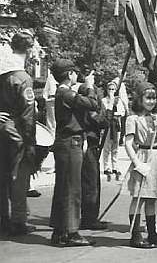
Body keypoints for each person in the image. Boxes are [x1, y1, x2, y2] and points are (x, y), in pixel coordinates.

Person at [49, 59, 98, 247]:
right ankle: (71, 231)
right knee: (72, 189)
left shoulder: (63, 93)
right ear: (70, 74)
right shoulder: (66, 93)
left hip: (67, 143)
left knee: (63, 187)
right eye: (74, 72)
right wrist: (90, 87)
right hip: (70, 143)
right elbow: (92, 104)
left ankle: (60, 230)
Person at [124, 81, 157, 248]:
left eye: (154, 98)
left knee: (152, 198)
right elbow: (128, 143)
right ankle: (135, 235)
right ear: (139, 99)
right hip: (143, 157)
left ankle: (152, 234)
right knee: (139, 197)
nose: (152, 101)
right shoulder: (133, 119)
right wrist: (137, 163)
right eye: (148, 98)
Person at [0, 31, 36, 235]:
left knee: (1, 177)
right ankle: (19, 221)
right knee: (19, 177)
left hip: (2, 130)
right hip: (17, 133)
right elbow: (27, 115)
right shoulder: (23, 77)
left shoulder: (2, 73)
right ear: (29, 50)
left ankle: (2, 218)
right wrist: (30, 142)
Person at [78, 82, 109, 230]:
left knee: (92, 182)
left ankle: (91, 216)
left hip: (91, 144)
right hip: (88, 144)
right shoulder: (88, 109)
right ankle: (89, 219)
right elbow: (100, 121)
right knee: (91, 184)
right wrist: (107, 112)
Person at [102, 81, 126, 181]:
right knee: (107, 147)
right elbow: (106, 111)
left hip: (116, 124)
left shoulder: (118, 100)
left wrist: (116, 113)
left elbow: (122, 112)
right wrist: (111, 102)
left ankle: (115, 166)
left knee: (115, 147)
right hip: (108, 125)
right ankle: (106, 167)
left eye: (113, 89)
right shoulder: (104, 100)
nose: (111, 91)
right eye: (109, 89)